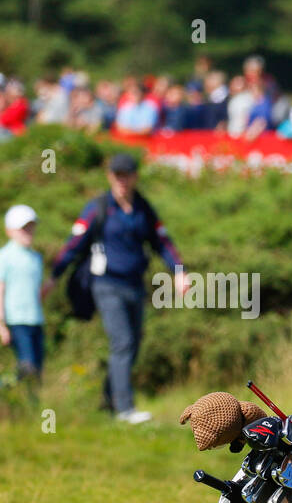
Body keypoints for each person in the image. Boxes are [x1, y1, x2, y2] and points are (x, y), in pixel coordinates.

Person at [49, 153, 184, 424]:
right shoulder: (97, 207)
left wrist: (179, 271)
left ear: (135, 176)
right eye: (117, 174)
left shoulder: (143, 208)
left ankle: (109, 402)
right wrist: (54, 276)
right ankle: (125, 409)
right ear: (110, 176)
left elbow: (161, 242)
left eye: (127, 174)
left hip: (135, 285)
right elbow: (74, 243)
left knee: (132, 344)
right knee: (122, 342)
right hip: (106, 284)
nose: (122, 180)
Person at [0, 204, 46, 381]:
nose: (28, 231)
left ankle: (32, 407)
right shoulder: (4, 256)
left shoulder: (36, 258)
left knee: (37, 370)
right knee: (27, 367)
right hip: (15, 321)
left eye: (30, 226)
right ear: (9, 230)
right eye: (23, 228)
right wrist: (1, 324)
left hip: (36, 319)